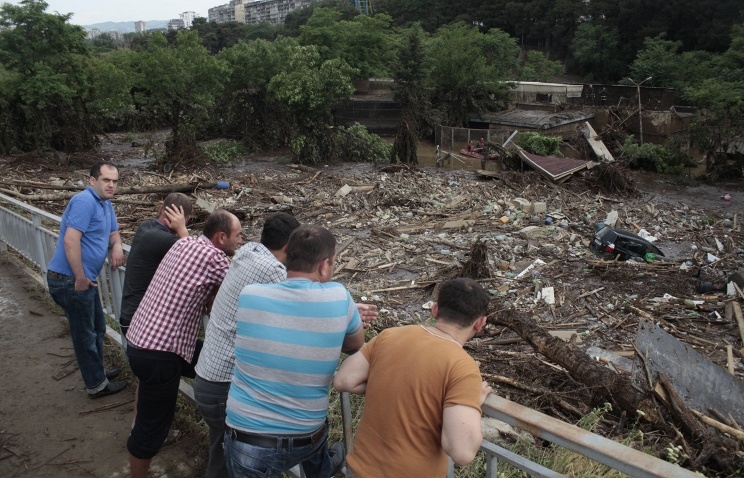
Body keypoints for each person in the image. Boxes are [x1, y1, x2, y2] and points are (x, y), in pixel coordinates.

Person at [195, 214, 378, 478]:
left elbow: (287, 308)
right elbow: (355, 344)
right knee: (318, 451)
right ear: (324, 266)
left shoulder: (249, 295)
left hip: (247, 440)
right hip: (306, 436)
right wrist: (341, 317)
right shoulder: (339, 296)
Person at [333, 277, 493, 478]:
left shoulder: (391, 335)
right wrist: (472, 404)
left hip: (359, 470)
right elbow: (462, 453)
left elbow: (344, 380)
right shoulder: (463, 368)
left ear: (435, 310)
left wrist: (388, 381)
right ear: (480, 323)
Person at [125, 209, 243, 478]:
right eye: (237, 235)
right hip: (160, 353)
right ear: (221, 237)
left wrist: (212, 291)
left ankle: (219, 415)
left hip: (142, 340)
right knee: (151, 429)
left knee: (210, 359)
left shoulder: (184, 243)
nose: (240, 241)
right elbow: (240, 289)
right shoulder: (216, 259)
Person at [46, 161, 128, 399]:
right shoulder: (84, 201)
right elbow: (70, 240)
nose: (111, 185)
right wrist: (80, 277)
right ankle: (96, 386)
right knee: (85, 336)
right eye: (106, 180)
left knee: (97, 329)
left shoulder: (104, 203)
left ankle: (97, 373)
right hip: (70, 280)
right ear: (92, 180)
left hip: (83, 280)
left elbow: (113, 231)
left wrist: (117, 246)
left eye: (115, 181)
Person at [118, 192, 192, 338]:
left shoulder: (146, 226)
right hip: (140, 321)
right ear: (187, 219)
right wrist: (182, 230)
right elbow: (195, 255)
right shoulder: (162, 239)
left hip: (130, 315)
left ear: (160, 210)